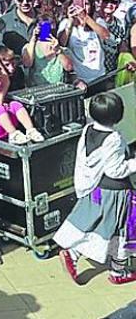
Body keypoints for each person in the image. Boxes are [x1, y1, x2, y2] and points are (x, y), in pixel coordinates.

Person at [54, 92, 136, 285]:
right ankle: (118, 271)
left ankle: (73, 253)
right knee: (120, 229)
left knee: (94, 224)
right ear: (119, 115)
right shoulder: (114, 138)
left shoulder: (88, 129)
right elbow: (116, 170)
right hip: (116, 192)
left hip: (96, 188)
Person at [0, 63, 44, 145]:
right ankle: (14, 134)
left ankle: (30, 130)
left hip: (5, 124)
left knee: (14, 104)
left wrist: (5, 108)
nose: (0, 79)